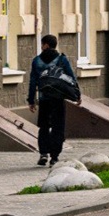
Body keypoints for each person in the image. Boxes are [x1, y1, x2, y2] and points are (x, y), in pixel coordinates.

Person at [27, 34, 79, 167]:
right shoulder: (62, 59)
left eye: (42, 44)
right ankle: (54, 157)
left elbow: (33, 82)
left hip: (44, 98)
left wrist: (31, 100)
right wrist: (77, 95)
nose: (41, 46)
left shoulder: (37, 61)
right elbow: (71, 78)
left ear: (46, 45)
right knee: (58, 127)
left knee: (43, 126)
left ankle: (43, 153)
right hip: (58, 99)